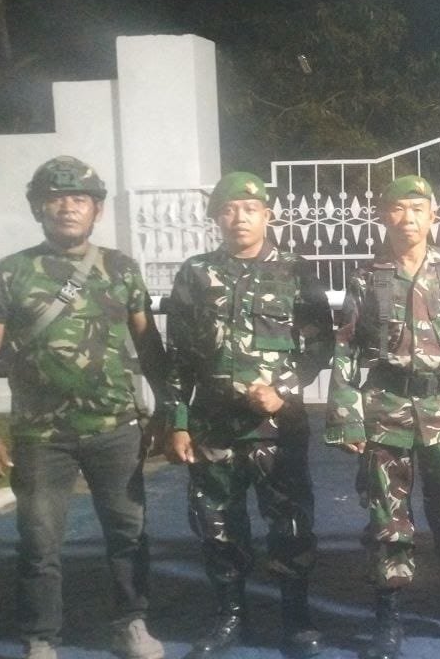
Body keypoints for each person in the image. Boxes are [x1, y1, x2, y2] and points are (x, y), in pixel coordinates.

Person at [326, 175, 440, 659]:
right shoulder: (367, 277)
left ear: (433, 216)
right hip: (386, 409)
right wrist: (346, 415)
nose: (408, 218)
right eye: (399, 209)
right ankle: (388, 619)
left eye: (418, 209)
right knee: (387, 518)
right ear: (385, 216)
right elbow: (346, 347)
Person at [0, 156, 168, 659]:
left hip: (116, 429)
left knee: (128, 534)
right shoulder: (11, 273)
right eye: (56, 198)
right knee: (39, 541)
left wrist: (169, 410)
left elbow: (149, 345)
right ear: (38, 207)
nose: (68, 207)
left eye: (79, 198)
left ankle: (131, 623)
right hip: (40, 435)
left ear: (97, 209)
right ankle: (41, 636)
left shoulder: (120, 268)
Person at [163, 171, 334, 659]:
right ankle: (229, 614)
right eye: (229, 209)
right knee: (217, 523)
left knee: (290, 522)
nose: (240, 217)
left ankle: (296, 617)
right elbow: (178, 357)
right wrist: (178, 421)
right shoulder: (195, 273)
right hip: (213, 426)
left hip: (278, 428)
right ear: (217, 218)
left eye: (250, 209)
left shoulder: (296, 270)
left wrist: (283, 391)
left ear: (267, 215)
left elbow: (320, 345)